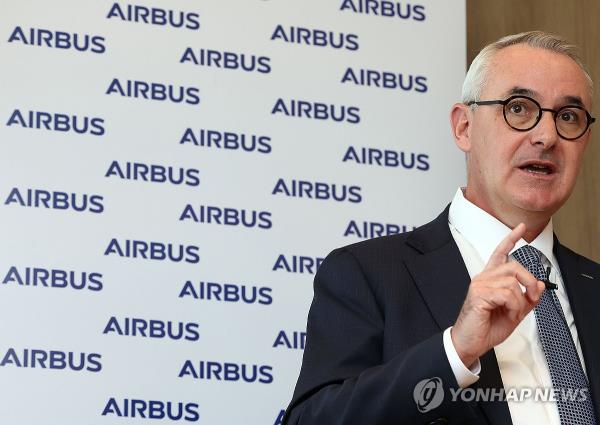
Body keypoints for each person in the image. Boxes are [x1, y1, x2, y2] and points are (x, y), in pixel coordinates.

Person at [283, 31, 600, 425]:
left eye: (568, 117)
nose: (547, 136)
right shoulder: (368, 273)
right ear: (464, 127)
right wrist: (454, 353)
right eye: (519, 108)